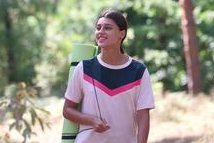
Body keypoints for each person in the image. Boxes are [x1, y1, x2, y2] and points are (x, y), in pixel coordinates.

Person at [63, 9, 155, 143]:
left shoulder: (138, 71)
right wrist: (92, 120)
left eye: (108, 28)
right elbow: (67, 110)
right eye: (98, 28)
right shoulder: (84, 68)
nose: (101, 32)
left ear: (121, 34)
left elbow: (143, 117)